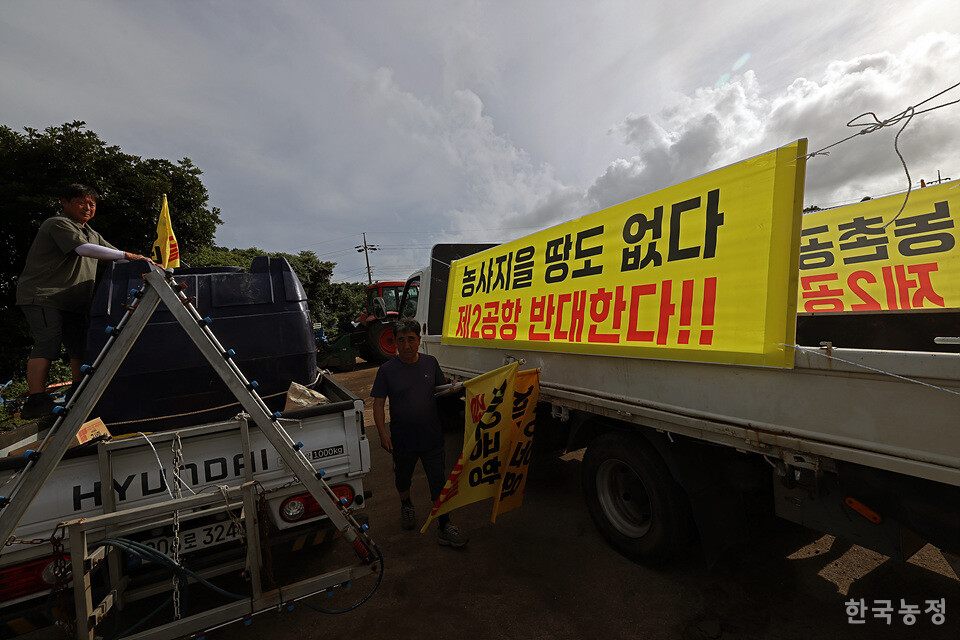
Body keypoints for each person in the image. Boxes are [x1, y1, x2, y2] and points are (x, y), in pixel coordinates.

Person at [15, 183, 157, 419]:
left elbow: (119, 257)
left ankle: (78, 389)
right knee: (48, 341)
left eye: (92, 204)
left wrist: (148, 262)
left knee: (80, 344)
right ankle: (35, 399)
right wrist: (129, 256)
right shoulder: (57, 224)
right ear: (65, 202)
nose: (88, 207)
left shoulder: (91, 233)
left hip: (74, 300)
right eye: (81, 202)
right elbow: (83, 250)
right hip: (43, 295)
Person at [371, 318, 468, 548]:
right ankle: (406, 505)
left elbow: (439, 390)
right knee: (403, 478)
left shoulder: (430, 363)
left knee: (438, 481)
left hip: (432, 436)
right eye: (400, 340)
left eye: (411, 340)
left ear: (419, 341)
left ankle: (444, 525)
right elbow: (377, 404)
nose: (406, 345)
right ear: (394, 342)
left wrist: (454, 388)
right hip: (402, 439)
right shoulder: (386, 370)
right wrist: (383, 435)